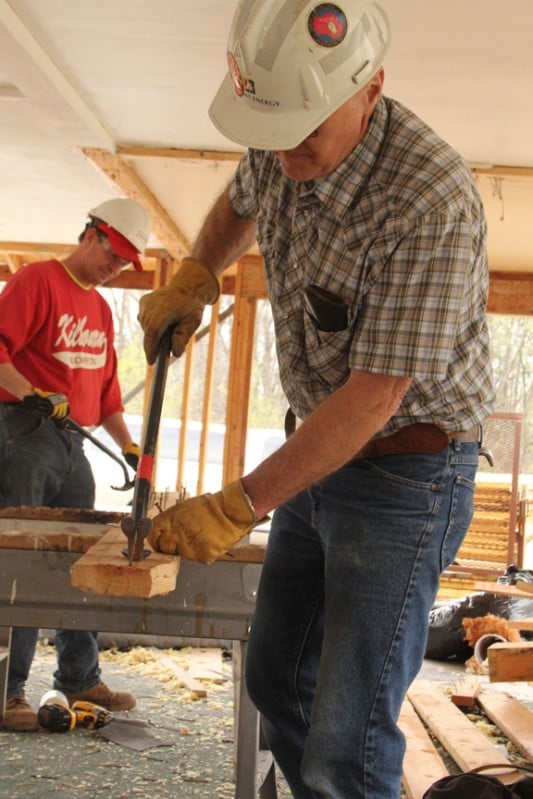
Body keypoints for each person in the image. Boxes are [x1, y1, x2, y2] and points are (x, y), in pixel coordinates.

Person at [138, 2, 495, 797]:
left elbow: (373, 398)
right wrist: (198, 275)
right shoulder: (278, 131)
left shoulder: (427, 199)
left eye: (306, 133)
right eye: (274, 131)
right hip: (322, 451)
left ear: (370, 90)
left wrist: (240, 502)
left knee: (349, 731)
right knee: (274, 678)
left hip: (407, 470)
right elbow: (240, 201)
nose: (286, 153)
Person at [0, 197, 151, 732]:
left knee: (80, 560)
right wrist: (32, 393)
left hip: (73, 441)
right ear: (93, 234)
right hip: (24, 432)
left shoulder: (101, 309)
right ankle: (7, 691)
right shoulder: (36, 281)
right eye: (115, 253)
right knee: (18, 561)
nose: (118, 266)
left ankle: (79, 676)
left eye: (126, 261)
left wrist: (130, 445)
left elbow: (106, 393)